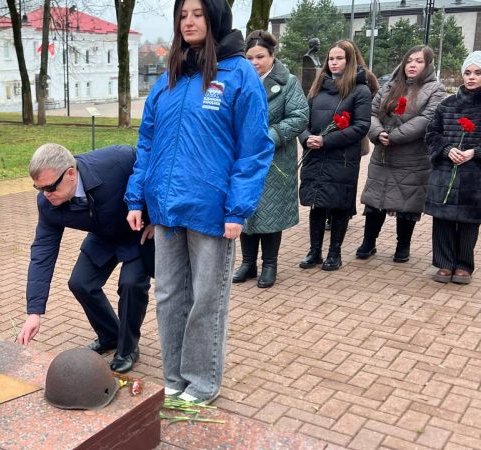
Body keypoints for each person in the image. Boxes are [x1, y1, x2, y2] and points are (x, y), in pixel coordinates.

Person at [125, 0, 273, 404]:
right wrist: (137, 197)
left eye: (197, 13)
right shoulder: (169, 76)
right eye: (183, 15)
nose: (188, 22)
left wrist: (238, 209)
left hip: (212, 211)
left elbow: (255, 148)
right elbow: (147, 142)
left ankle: (202, 381)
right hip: (167, 210)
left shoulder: (239, 73)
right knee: (170, 297)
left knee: (207, 301)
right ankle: (174, 376)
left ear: (215, 17)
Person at [16, 143, 152, 374]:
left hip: (138, 230)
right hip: (103, 235)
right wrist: (34, 312)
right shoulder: (47, 204)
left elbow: (155, 175)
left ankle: (128, 348)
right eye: (39, 189)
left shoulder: (118, 161)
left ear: (70, 173)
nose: (45, 195)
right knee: (80, 283)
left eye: (50, 188)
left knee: (131, 284)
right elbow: (42, 252)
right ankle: (109, 335)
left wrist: (157, 221)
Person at [233, 30, 308, 288]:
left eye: (260, 57)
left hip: (274, 160)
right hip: (244, 158)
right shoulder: (240, 81)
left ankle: (270, 265)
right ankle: (248, 263)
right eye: (250, 57)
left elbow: (299, 116)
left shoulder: (288, 82)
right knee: (246, 210)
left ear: (272, 55)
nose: (255, 62)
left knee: (270, 213)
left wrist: (271, 136)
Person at [358, 45, 446, 262]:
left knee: (408, 202)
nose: (412, 65)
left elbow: (427, 119)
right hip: (383, 155)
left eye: (419, 61)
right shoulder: (390, 85)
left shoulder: (436, 89)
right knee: (375, 200)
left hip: (412, 157)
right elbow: (371, 112)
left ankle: (402, 246)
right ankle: (369, 242)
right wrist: (378, 132)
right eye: (409, 60)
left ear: (428, 65)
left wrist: (395, 135)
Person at [298, 40, 372, 271]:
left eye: (340, 58)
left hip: (341, 158)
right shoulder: (318, 88)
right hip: (315, 155)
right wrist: (305, 137)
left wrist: (326, 140)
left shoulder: (360, 90)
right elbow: (302, 120)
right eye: (331, 58)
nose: (334, 62)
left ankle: (334, 253)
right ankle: (314, 251)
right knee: (317, 205)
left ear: (350, 61)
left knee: (339, 205)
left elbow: (361, 126)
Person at [424, 51, 481, 284]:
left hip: (474, 175)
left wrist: (474, 152)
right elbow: (431, 133)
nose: (471, 77)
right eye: (467, 72)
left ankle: (464, 265)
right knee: (444, 218)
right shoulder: (447, 104)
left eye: (478, 73)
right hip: (446, 173)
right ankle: (444, 263)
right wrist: (447, 149)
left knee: (469, 220)